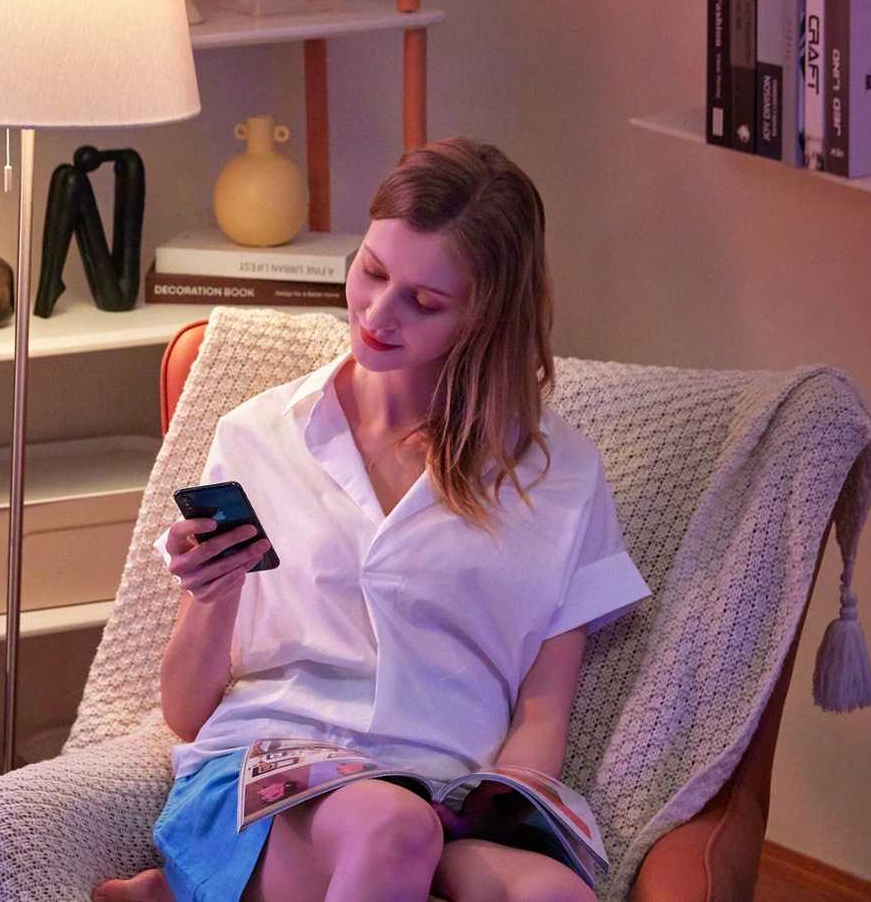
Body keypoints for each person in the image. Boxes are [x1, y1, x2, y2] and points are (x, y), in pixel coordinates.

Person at [94, 138, 650, 902]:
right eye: (373, 271)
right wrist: (215, 597)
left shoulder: (559, 476)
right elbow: (186, 714)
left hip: (440, 797)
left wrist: (499, 811)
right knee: (391, 830)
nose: (378, 315)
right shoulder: (258, 437)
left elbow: (543, 706)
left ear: (487, 317)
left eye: (424, 301)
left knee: (554, 895)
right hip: (265, 780)